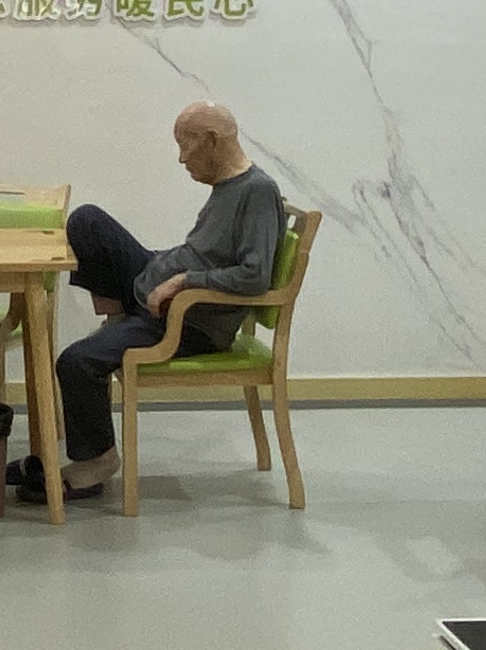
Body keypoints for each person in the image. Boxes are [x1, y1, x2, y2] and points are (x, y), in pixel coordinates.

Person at [17, 102, 286, 503]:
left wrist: (183, 279)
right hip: (160, 291)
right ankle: (121, 320)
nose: (181, 158)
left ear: (212, 141)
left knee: (77, 361)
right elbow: (208, 253)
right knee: (87, 221)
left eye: (186, 145)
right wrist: (168, 269)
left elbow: (254, 276)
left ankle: (96, 463)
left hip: (187, 320)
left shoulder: (257, 192)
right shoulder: (227, 187)